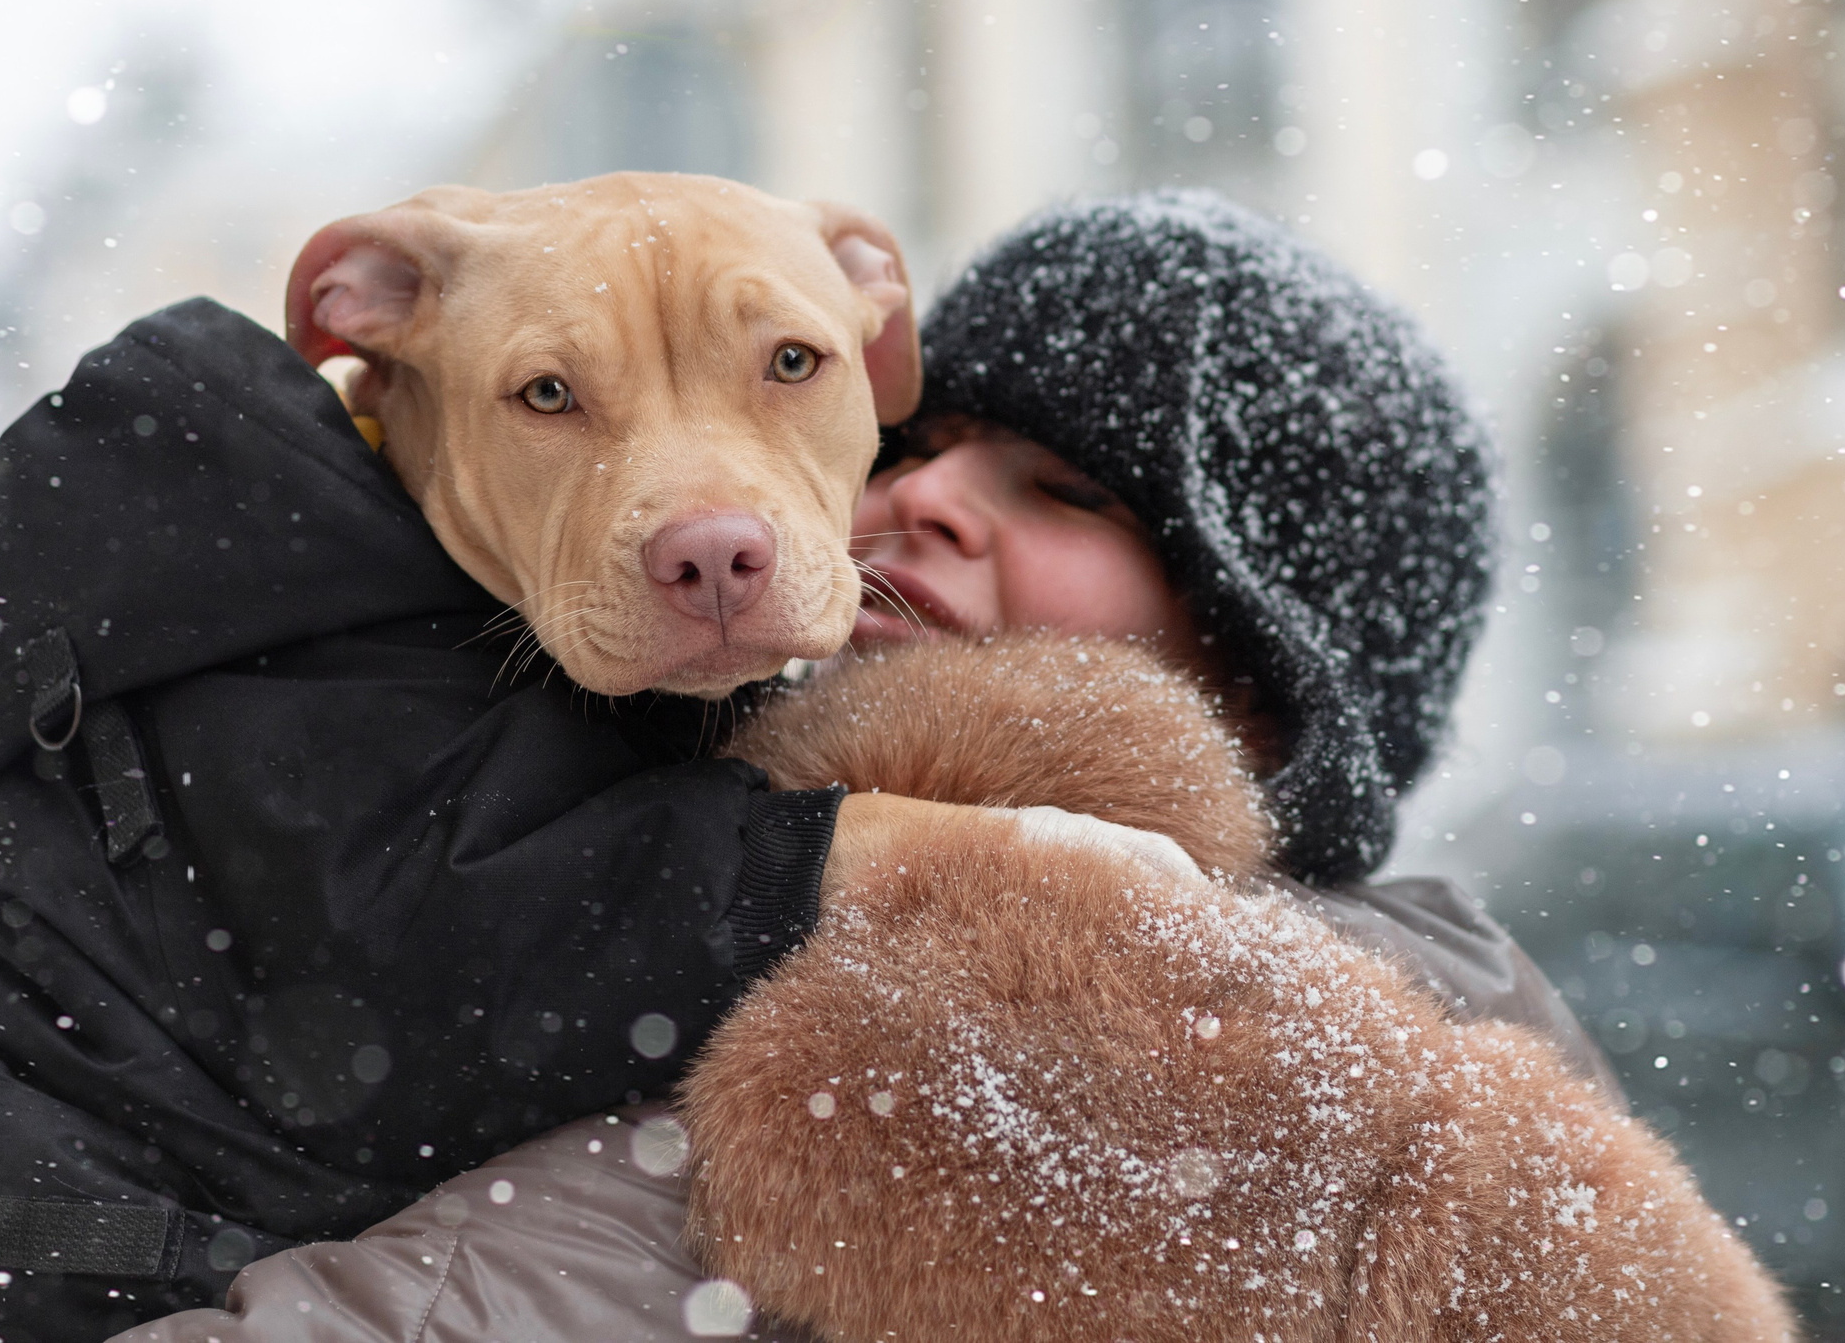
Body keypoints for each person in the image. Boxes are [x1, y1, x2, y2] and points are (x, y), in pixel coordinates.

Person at [115, 191, 1618, 1343]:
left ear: (1263, 687)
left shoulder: (1115, 1024)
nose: (924, 497)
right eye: (914, 445)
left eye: (1066, 491)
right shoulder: (685, 878)